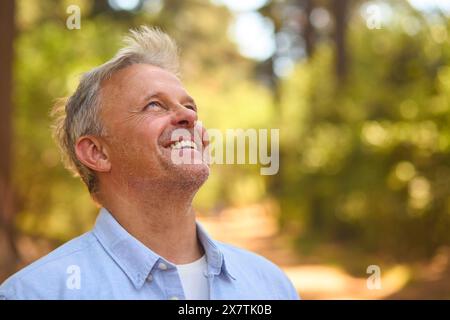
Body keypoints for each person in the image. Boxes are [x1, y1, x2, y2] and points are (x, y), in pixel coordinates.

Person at [0, 26, 299, 300]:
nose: (189, 117)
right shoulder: (33, 293)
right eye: (154, 104)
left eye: (190, 106)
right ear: (97, 152)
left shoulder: (272, 286)